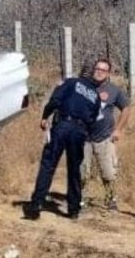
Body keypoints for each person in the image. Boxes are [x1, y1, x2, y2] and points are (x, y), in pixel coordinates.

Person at [23, 66, 101, 221]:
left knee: (48, 164)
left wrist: (45, 116)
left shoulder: (71, 83)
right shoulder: (96, 96)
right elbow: (93, 119)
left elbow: (55, 100)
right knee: (74, 170)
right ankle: (73, 209)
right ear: (92, 77)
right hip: (80, 131)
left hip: (62, 125)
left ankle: (37, 204)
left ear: (81, 74)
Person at [81, 58, 132, 211]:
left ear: (108, 73)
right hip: (83, 138)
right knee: (82, 171)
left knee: (108, 173)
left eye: (103, 70)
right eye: (97, 69)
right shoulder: (83, 87)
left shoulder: (113, 90)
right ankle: (80, 199)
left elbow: (126, 108)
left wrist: (118, 129)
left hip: (105, 138)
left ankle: (111, 199)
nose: (99, 72)